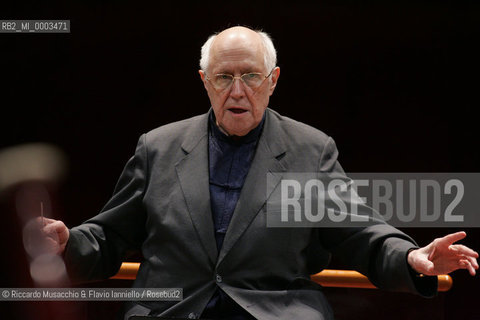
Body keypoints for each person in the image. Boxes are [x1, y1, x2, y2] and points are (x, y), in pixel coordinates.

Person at [40, 26, 478, 320]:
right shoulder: (158, 148)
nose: (237, 91)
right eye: (223, 77)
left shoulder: (310, 150)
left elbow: (359, 233)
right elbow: (108, 239)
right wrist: (66, 244)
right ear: (204, 81)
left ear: (273, 80)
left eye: (251, 76)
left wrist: (410, 257)